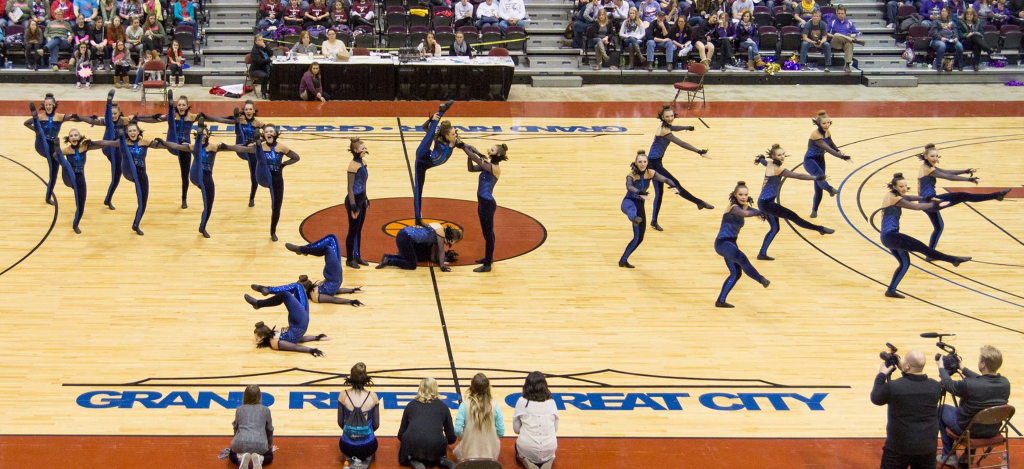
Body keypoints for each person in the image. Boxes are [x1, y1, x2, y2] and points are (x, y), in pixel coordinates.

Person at [879, 173, 970, 298]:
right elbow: (915, 206)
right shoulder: (895, 199)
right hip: (891, 236)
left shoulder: (891, 195)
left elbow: (909, 197)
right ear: (894, 187)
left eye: (905, 186)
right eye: (901, 186)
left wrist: (926, 198)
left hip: (888, 237)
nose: (904, 188)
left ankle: (890, 291)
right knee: (924, 249)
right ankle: (953, 260)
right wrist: (935, 205)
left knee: (905, 263)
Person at [72, 90, 162, 210]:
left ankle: (109, 198)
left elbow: (139, 118)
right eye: (111, 114)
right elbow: (92, 120)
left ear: (119, 113)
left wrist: (154, 117)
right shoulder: (106, 121)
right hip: (110, 150)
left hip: (118, 149)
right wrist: (79, 117)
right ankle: (110, 197)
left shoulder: (124, 120)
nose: (113, 116)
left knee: (118, 175)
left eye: (115, 113)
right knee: (116, 176)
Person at [916, 143, 1010, 252]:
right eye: (932, 156)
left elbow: (946, 172)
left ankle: (930, 253)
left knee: (938, 227)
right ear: (926, 156)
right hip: (930, 203)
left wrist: (965, 171)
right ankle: (996, 195)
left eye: (937, 156)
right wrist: (969, 179)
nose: (935, 158)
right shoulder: (928, 169)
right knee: (963, 196)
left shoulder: (927, 166)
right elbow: (949, 177)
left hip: (926, 202)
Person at [754, 144, 836, 261]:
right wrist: (816, 178)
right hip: (767, 204)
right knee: (794, 217)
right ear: (773, 156)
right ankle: (820, 229)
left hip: (763, 202)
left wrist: (761, 158)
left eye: (783, 154)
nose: (782, 157)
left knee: (775, 228)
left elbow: (764, 162)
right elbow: (798, 176)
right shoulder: (778, 169)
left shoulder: (769, 163)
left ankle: (761, 254)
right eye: (779, 155)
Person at [152, 116, 229, 238]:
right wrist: (164, 142)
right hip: (196, 175)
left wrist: (230, 146)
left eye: (204, 134)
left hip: (207, 175)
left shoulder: (214, 147)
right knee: (201, 180)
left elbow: (232, 148)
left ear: (208, 135)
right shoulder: (193, 147)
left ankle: (202, 227)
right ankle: (202, 224)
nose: (202, 137)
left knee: (209, 204)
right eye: (200, 135)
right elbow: (176, 146)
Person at [222, 123, 300, 241]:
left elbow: (296, 157)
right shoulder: (260, 147)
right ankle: (258, 146)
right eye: (267, 131)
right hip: (263, 175)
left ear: (275, 134)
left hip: (276, 177)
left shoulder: (282, 147)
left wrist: (284, 164)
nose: (269, 133)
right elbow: (242, 148)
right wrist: (227, 147)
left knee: (276, 206)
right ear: (264, 134)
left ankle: (273, 231)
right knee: (259, 153)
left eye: (271, 131)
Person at [936, 345, 1011, 467]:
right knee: (977, 416)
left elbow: (948, 384)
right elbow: (983, 380)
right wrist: (963, 368)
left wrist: (941, 368)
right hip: (992, 429)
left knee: (941, 409)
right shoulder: (1005, 383)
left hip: (968, 430)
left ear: (983, 364)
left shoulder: (969, 385)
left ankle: (948, 455)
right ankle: (967, 457)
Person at [869, 350, 942, 469]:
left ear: (907, 366)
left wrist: (881, 375)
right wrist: (905, 370)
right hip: (927, 447)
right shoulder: (935, 386)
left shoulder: (894, 387)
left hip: (899, 447)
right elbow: (914, 386)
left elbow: (876, 398)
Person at [645, 104, 712, 231]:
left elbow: (673, 127)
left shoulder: (664, 126)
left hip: (653, 163)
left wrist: (686, 127)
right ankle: (699, 202)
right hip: (654, 164)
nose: (670, 118)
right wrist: (699, 151)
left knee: (659, 193)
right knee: (675, 184)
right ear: (662, 117)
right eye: (667, 116)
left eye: (671, 116)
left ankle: (654, 221)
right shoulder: (664, 130)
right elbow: (681, 143)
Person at [618, 150, 688, 268]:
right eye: (640, 162)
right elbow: (629, 186)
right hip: (629, 201)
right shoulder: (631, 174)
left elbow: (665, 179)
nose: (642, 164)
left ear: (647, 162)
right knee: (632, 211)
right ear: (635, 163)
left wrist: (673, 186)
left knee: (639, 238)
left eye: (644, 161)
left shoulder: (650, 173)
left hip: (640, 204)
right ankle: (635, 219)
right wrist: (639, 192)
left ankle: (623, 260)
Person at [42, 126, 117, 233]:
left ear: (80, 137)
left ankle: (75, 224)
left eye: (76, 135)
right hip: (68, 176)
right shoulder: (66, 150)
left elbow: (99, 144)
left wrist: (111, 143)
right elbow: (55, 155)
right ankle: (57, 148)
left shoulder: (84, 147)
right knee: (66, 163)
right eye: (71, 135)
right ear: (69, 138)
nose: (73, 137)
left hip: (79, 177)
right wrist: (61, 163)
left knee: (81, 203)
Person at [714, 181, 770, 308]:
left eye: (745, 195)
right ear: (735, 194)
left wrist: (762, 212)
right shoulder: (733, 207)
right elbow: (746, 213)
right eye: (740, 194)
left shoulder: (744, 206)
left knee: (736, 273)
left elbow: (751, 210)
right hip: (723, 243)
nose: (743, 197)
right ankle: (761, 279)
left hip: (731, 243)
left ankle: (720, 300)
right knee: (742, 258)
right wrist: (760, 213)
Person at [201, 101, 264, 207]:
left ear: (254, 110)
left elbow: (270, 134)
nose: (248, 111)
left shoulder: (258, 123)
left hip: (252, 150)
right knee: (238, 124)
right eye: (246, 109)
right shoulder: (240, 118)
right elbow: (221, 119)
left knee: (254, 176)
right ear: (243, 111)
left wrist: (257, 141)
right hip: (240, 147)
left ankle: (252, 197)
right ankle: (238, 127)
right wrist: (206, 117)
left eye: (250, 109)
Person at [247, 283, 329, 356]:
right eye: (256, 339)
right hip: (300, 322)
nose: (256, 341)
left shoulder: (273, 336)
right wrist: (311, 350)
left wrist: (316, 338)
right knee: (286, 295)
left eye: (256, 339)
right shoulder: (275, 343)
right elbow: (294, 346)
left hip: (297, 320)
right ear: (263, 338)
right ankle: (260, 301)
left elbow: (298, 339)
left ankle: (265, 292)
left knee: (298, 286)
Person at [463, 142, 508, 273]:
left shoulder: (494, 168)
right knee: (487, 233)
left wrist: (465, 148)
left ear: (497, 154)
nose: (489, 149)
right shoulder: (487, 166)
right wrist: (469, 156)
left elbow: (478, 159)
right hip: (482, 202)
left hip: (487, 204)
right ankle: (489, 257)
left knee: (488, 234)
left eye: (492, 149)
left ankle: (487, 264)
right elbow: (471, 169)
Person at [282, 234, 364, 305]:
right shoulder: (315, 296)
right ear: (305, 290)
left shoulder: (315, 288)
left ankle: (303, 249)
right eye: (305, 282)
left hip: (334, 273)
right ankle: (302, 249)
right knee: (327, 249)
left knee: (332, 238)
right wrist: (350, 301)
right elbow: (333, 299)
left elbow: (336, 291)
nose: (308, 280)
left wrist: (352, 290)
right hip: (334, 275)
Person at [412, 99, 457, 225]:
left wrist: (477, 155)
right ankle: (441, 113)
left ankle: (441, 112)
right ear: (447, 136)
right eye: (453, 133)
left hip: (427, 161)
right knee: (430, 135)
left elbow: (468, 149)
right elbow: (424, 127)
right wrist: (432, 118)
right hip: (423, 157)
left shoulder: (454, 142)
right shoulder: (440, 136)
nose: (456, 135)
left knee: (419, 191)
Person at [397, 378, 457, 469]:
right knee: (436, 446)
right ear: (436, 389)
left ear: (419, 389)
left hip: (413, 444)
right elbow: (452, 438)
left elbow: (400, 435)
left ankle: (412, 460)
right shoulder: (444, 407)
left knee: (405, 447)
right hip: (436, 445)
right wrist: (436, 440)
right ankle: (439, 459)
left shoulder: (410, 406)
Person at [23, 94, 69, 205]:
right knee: (51, 156)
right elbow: (26, 123)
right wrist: (37, 131)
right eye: (46, 104)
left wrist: (89, 119)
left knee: (54, 171)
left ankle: (48, 196)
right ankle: (48, 197)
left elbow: (73, 117)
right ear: (44, 105)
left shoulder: (59, 117)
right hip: (41, 144)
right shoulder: (40, 117)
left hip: (52, 144)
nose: (48, 106)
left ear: (54, 105)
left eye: (50, 104)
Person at [804, 110, 850, 218]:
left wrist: (838, 151)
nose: (826, 125)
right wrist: (841, 157)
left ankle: (814, 210)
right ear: (819, 124)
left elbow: (832, 144)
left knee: (818, 188)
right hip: (810, 160)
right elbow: (828, 149)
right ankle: (830, 189)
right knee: (820, 178)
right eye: (824, 123)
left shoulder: (827, 132)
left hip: (820, 159)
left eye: (828, 122)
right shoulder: (816, 135)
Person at [454, 373, 504, 462]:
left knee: (455, 452)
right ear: (488, 388)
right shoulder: (495, 405)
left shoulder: (464, 405)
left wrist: (463, 437)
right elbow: (501, 432)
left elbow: (457, 430)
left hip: (467, 458)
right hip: (491, 457)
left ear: (471, 387)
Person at [513, 372, 558, 469]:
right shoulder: (552, 402)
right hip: (549, 448)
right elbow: (555, 429)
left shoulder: (521, 402)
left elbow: (516, 429)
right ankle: (549, 460)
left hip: (527, 449)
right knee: (551, 451)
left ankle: (526, 461)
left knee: (517, 447)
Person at [338, 362, 380, 468]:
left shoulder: (343, 395)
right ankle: (367, 459)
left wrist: (352, 433)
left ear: (351, 377)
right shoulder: (373, 397)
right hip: (368, 445)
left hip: (347, 445)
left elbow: (340, 422)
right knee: (370, 448)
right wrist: (362, 433)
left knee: (347, 448)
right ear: (365, 377)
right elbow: (376, 425)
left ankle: (349, 459)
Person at [376, 223, 464, 271]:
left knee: (412, 257)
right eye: (453, 242)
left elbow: (434, 254)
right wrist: (442, 267)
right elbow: (441, 251)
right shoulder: (441, 234)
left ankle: (388, 256)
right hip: (406, 238)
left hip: (404, 234)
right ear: (451, 238)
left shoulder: (438, 227)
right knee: (412, 265)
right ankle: (389, 261)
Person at [230, 385, 276, 469]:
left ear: (245, 396)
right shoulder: (266, 410)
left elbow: (236, 428)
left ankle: (240, 457)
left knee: (232, 455)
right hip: (260, 444)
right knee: (269, 456)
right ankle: (260, 458)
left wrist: (236, 441)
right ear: (259, 396)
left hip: (241, 443)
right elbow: (269, 429)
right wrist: (270, 444)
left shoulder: (239, 409)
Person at [343, 138, 370, 268]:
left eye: (365, 148)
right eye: (362, 149)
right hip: (354, 201)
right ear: (355, 150)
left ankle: (357, 256)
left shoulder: (363, 162)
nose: (365, 150)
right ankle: (349, 259)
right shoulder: (353, 166)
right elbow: (350, 188)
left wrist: (366, 197)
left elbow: (363, 183)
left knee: (359, 230)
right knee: (352, 231)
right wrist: (353, 206)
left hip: (361, 199)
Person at [827, 6, 862, 73]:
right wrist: (834, 36)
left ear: (845, 14)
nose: (840, 15)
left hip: (844, 44)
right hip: (835, 42)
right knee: (837, 35)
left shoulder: (849, 22)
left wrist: (852, 35)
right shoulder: (833, 22)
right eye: (839, 13)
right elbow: (826, 33)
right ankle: (848, 39)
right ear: (837, 14)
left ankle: (847, 64)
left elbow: (855, 33)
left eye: (842, 13)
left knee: (849, 44)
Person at [930, 7, 963, 72]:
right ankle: (938, 65)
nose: (943, 13)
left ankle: (960, 65)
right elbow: (933, 32)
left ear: (948, 13)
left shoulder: (952, 22)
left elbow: (955, 31)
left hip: (950, 40)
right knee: (942, 45)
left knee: (959, 46)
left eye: (945, 11)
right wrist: (941, 38)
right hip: (938, 40)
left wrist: (956, 37)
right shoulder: (936, 21)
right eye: (942, 11)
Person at [250, 34, 273, 99]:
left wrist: (265, 47)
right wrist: (269, 59)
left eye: (262, 39)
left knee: (274, 72)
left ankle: (271, 90)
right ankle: (263, 92)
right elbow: (260, 61)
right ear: (256, 42)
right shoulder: (255, 50)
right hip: (255, 69)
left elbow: (271, 53)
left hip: (264, 67)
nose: (261, 41)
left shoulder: (264, 46)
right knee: (264, 75)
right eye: (259, 40)